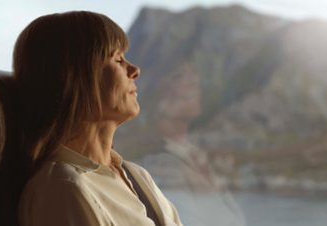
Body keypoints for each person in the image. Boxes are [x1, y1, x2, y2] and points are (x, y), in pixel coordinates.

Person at [14, 11, 182, 226]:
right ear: (75, 76)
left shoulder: (137, 176)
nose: (135, 70)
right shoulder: (62, 189)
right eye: (118, 59)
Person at [141, 63, 246, 226]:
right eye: (179, 75)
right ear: (159, 100)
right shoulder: (159, 165)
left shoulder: (196, 155)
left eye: (194, 73)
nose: (193, 81)